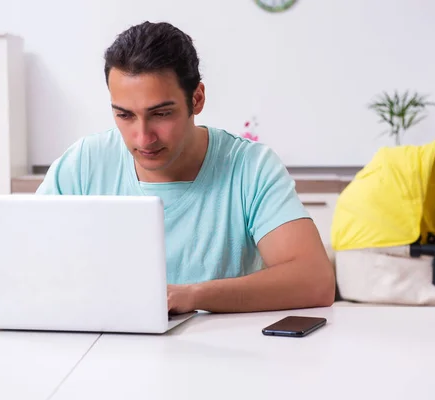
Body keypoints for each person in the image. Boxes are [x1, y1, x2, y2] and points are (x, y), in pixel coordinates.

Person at [36, 21, 335, 314]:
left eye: (162, 113)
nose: (143, 137)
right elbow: (25, 260)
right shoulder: (84, 162)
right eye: (125, 116)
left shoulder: (250, 168)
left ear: (197, 98)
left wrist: (192, 296)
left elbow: (315, 281)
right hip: (106, 349)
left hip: (227, 354)